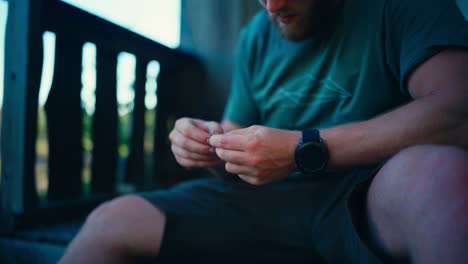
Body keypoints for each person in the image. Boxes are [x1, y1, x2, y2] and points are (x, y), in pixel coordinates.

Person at [59, 0, 468, 263]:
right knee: (111, 221)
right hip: (263, 203)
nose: (273, 5)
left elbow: (457, 112)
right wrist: (205, 146)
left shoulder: (402, 8)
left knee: (440, 177)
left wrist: (302, 149)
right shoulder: (256, 34)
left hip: (367, 197)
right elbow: (233, 151)